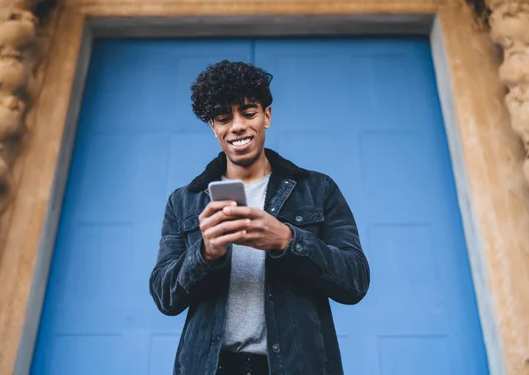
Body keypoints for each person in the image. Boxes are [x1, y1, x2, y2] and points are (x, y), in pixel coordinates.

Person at [150, 60, 370, 375]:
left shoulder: (318, 189)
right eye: (224, 118)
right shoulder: (185, 201)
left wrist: (288, 241)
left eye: (249, 113)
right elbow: (164, 296)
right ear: (214, 127)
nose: (237, 126)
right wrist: (206, 253)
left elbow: (355, 281)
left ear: (266, 116)